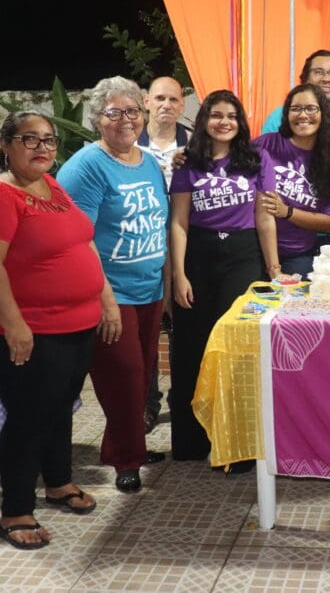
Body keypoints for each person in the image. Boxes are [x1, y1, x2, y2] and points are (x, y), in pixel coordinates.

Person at [0, 111, 114, 549]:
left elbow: (81, 243)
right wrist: (14, 326)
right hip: (29, 329)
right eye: (30, 139)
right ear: (6, 144)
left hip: (75, 325)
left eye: (49, 140)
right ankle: (15, 512)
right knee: (28, 416)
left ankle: (59, 482)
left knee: (60, 407)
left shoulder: (52, 187)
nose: (43, 147)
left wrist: (105, 300)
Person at [57, 76, 168, 493]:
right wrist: (104, 301)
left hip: (150, 290)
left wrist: (167, 286)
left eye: (133, 111)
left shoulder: (149, 162)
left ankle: (124, 445)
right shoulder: (85, 166)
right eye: (114, 112)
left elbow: (159, 225)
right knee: (123, 377)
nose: (126, 120)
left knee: (140, 380)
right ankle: (127, 459)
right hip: (110, 294)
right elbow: (77, 239)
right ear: (97, 119)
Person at [168, 90, 262, 464]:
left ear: (240, 124)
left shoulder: (253, 161)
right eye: (217, 115)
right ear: (204, 119)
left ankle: (238, 448)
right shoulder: (188, 163)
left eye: (232, 116)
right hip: (199, 258)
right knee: (193, 348)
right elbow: (178, 222)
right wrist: (179, 274)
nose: (224, 122)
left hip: (243, 258)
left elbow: (263, 217)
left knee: (238, 350)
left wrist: (271, 269)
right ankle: (192, 444)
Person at [255, 83, 330, 278]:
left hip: (297, 255)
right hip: (253, 248)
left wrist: (287, 212)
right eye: (296, 108)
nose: (303, 115)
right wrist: (187, 157)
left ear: (323, 114)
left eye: (311, 108)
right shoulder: (266, 144)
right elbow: (226, 161)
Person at [139, 76, 189, 436]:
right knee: (147, 331)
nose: (166, 105)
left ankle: (182, 402)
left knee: (183, 329)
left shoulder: (196, 144)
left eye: (173, 99)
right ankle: (147, 404)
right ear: (146, 101)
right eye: (159, 98)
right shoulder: (130, 145)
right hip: (145, 248)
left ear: (183, 106)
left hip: (187, 245)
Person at [261, 49, 330, 182]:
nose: (326, 79)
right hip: (289, 196)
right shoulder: (279, 117)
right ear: (305, 79)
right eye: (318, 72)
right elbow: (264, 164)